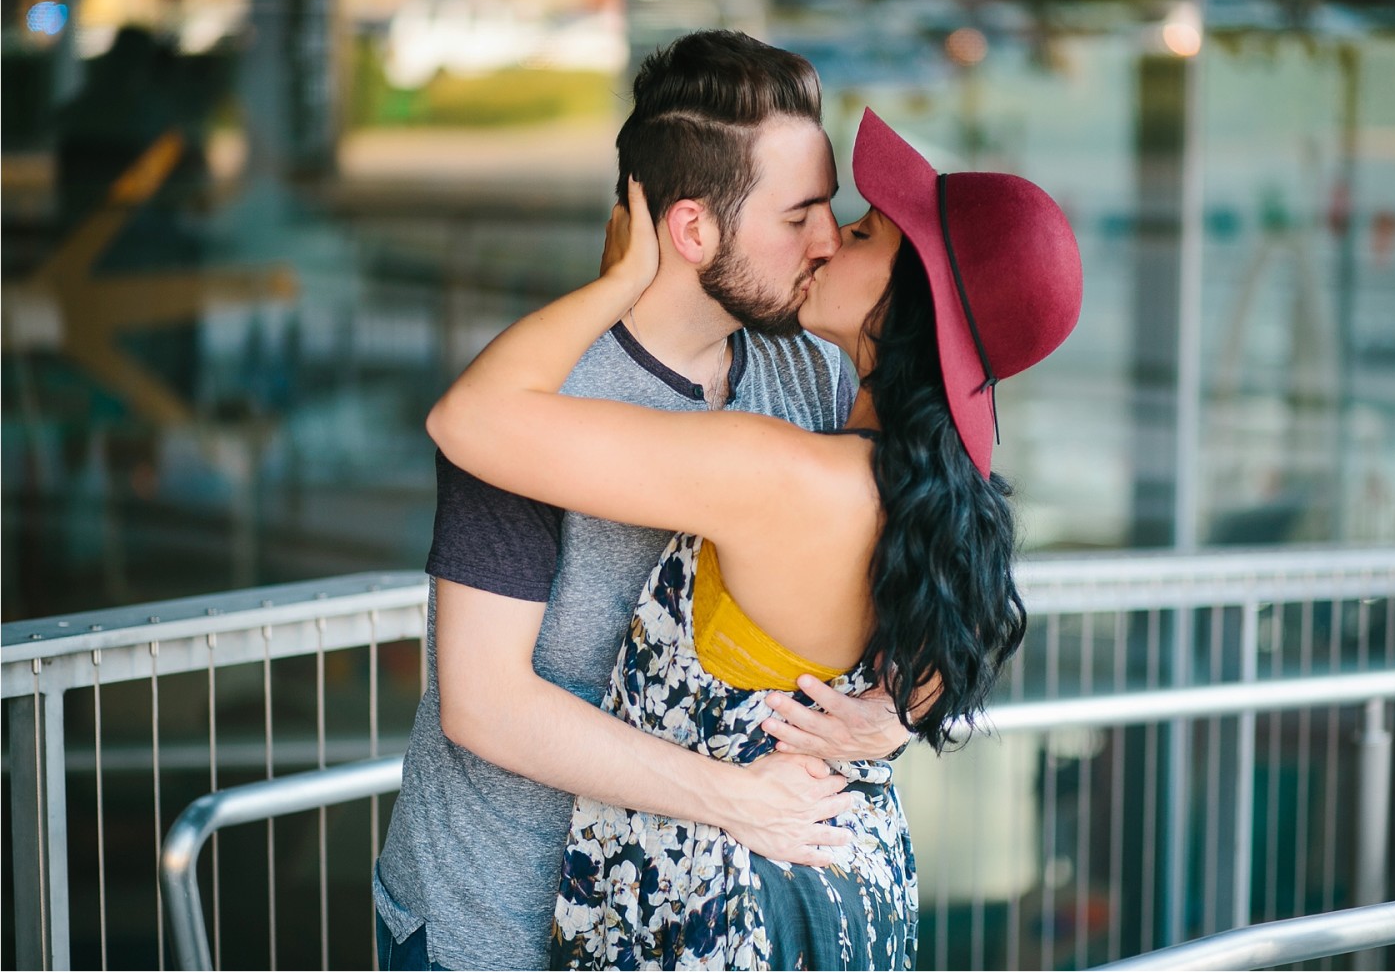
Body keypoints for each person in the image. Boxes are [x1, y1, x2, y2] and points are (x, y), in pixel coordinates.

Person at [428, 108, 1083, 968]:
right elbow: (939, 658)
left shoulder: (784, 472)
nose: (828, 240)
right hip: (851, 891)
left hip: (729, 913)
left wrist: (620, 281)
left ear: (908, 302)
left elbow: (469, 419)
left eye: (861, 232)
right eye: (806, 215)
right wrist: (892, 716)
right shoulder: (936, 498)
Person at [374, 31, 911, 971]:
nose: (829, 239)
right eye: (800, 215)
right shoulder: (537, 400)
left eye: (833, 209)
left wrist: (898, 710)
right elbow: (484, 703)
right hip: (494, 920)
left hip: (672, 923)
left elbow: (917, 570)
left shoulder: (815, 374)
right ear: (693, 230)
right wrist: (733, 797)